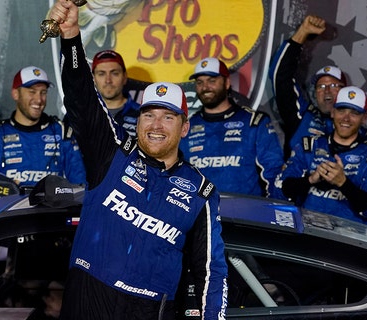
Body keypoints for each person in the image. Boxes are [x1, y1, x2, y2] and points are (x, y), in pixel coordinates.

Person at [47, 2, 228, 319]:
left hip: (149, 311)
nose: (156, 125)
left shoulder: (202, 192)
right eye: (149, 114)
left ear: (184, 127)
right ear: (138, 119)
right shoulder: (113, 152)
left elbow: (212, 272)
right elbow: (82, 99)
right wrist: (72, 37)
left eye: (167, 117)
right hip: (88, 300)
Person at [277, 86, 367, 226]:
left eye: (354, 112)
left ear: (364, 118)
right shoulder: (309, 146)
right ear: (332, 112)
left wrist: (343, 183)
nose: (346, 118)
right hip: (307, 235)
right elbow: (281, 190)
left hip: (349, 241)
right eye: (341, 110)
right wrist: (310, 180)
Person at [269, 15, 367, 158]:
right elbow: (280, 76)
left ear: (345, 91)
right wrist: (302, 32)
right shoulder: (302, 117)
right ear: (315, 93)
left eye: (333, 85)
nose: (327, 91)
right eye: (320, 86)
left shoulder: (365, 136)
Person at [182, 57, 285, 199]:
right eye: (200, 82)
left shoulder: (254, 122)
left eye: (212, 81)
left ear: (227, 83)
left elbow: (273, 173)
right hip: (199, 214)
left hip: (244, 215)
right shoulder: (187, 126)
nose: (205, 87)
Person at [0, 66, 86, 188]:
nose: (38, 100)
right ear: (15, 94)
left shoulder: (62, 133)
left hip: (53, 207)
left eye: (43, 92)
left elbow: (80, 187)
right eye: (32, 92)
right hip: (10, 207)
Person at [90, 49, 140, 136]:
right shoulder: (81, 113)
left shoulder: (141, 114)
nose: (108, 80)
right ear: (93, 79)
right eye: (101, 74)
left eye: (115, 73)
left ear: (124, 77)